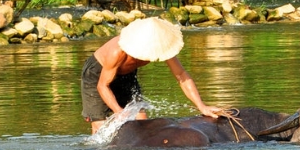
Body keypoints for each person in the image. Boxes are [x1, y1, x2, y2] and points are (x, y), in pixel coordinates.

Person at [81, 16, 223, 134]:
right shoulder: (117, 52)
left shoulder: (161, 46)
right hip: (97, 75)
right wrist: (118, 111)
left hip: (127, 74)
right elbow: (102, 85)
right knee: (101, 127)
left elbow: (181, 74)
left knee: (141, 121)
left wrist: (202, 106)